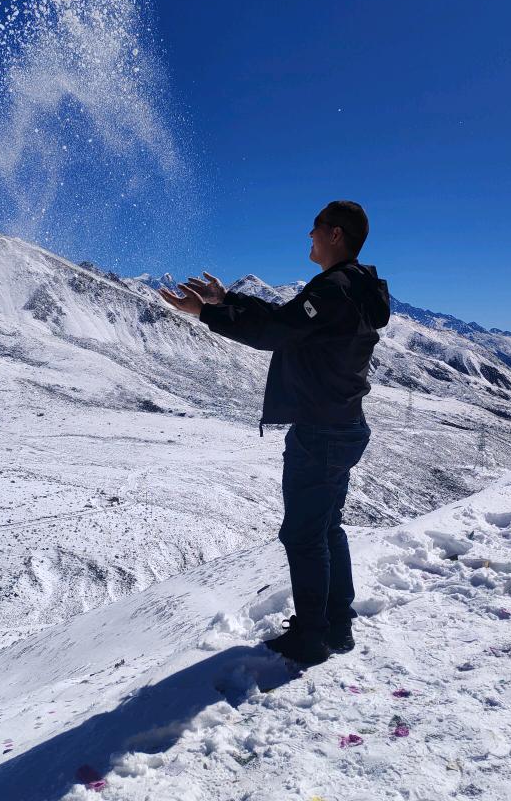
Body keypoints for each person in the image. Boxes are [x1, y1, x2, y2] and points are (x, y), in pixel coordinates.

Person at [159, 200, 390, 664]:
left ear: (336, 234)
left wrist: (206, 314)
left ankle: (312, 637)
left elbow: (276, 333)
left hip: (321, 432)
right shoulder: (356, 288)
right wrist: (227, 300)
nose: (309, 235)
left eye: (316, 227)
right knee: (325, 528)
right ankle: (337, 624)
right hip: (344, 425)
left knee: (303, 535)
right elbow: (288, 319)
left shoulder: (334, 288)